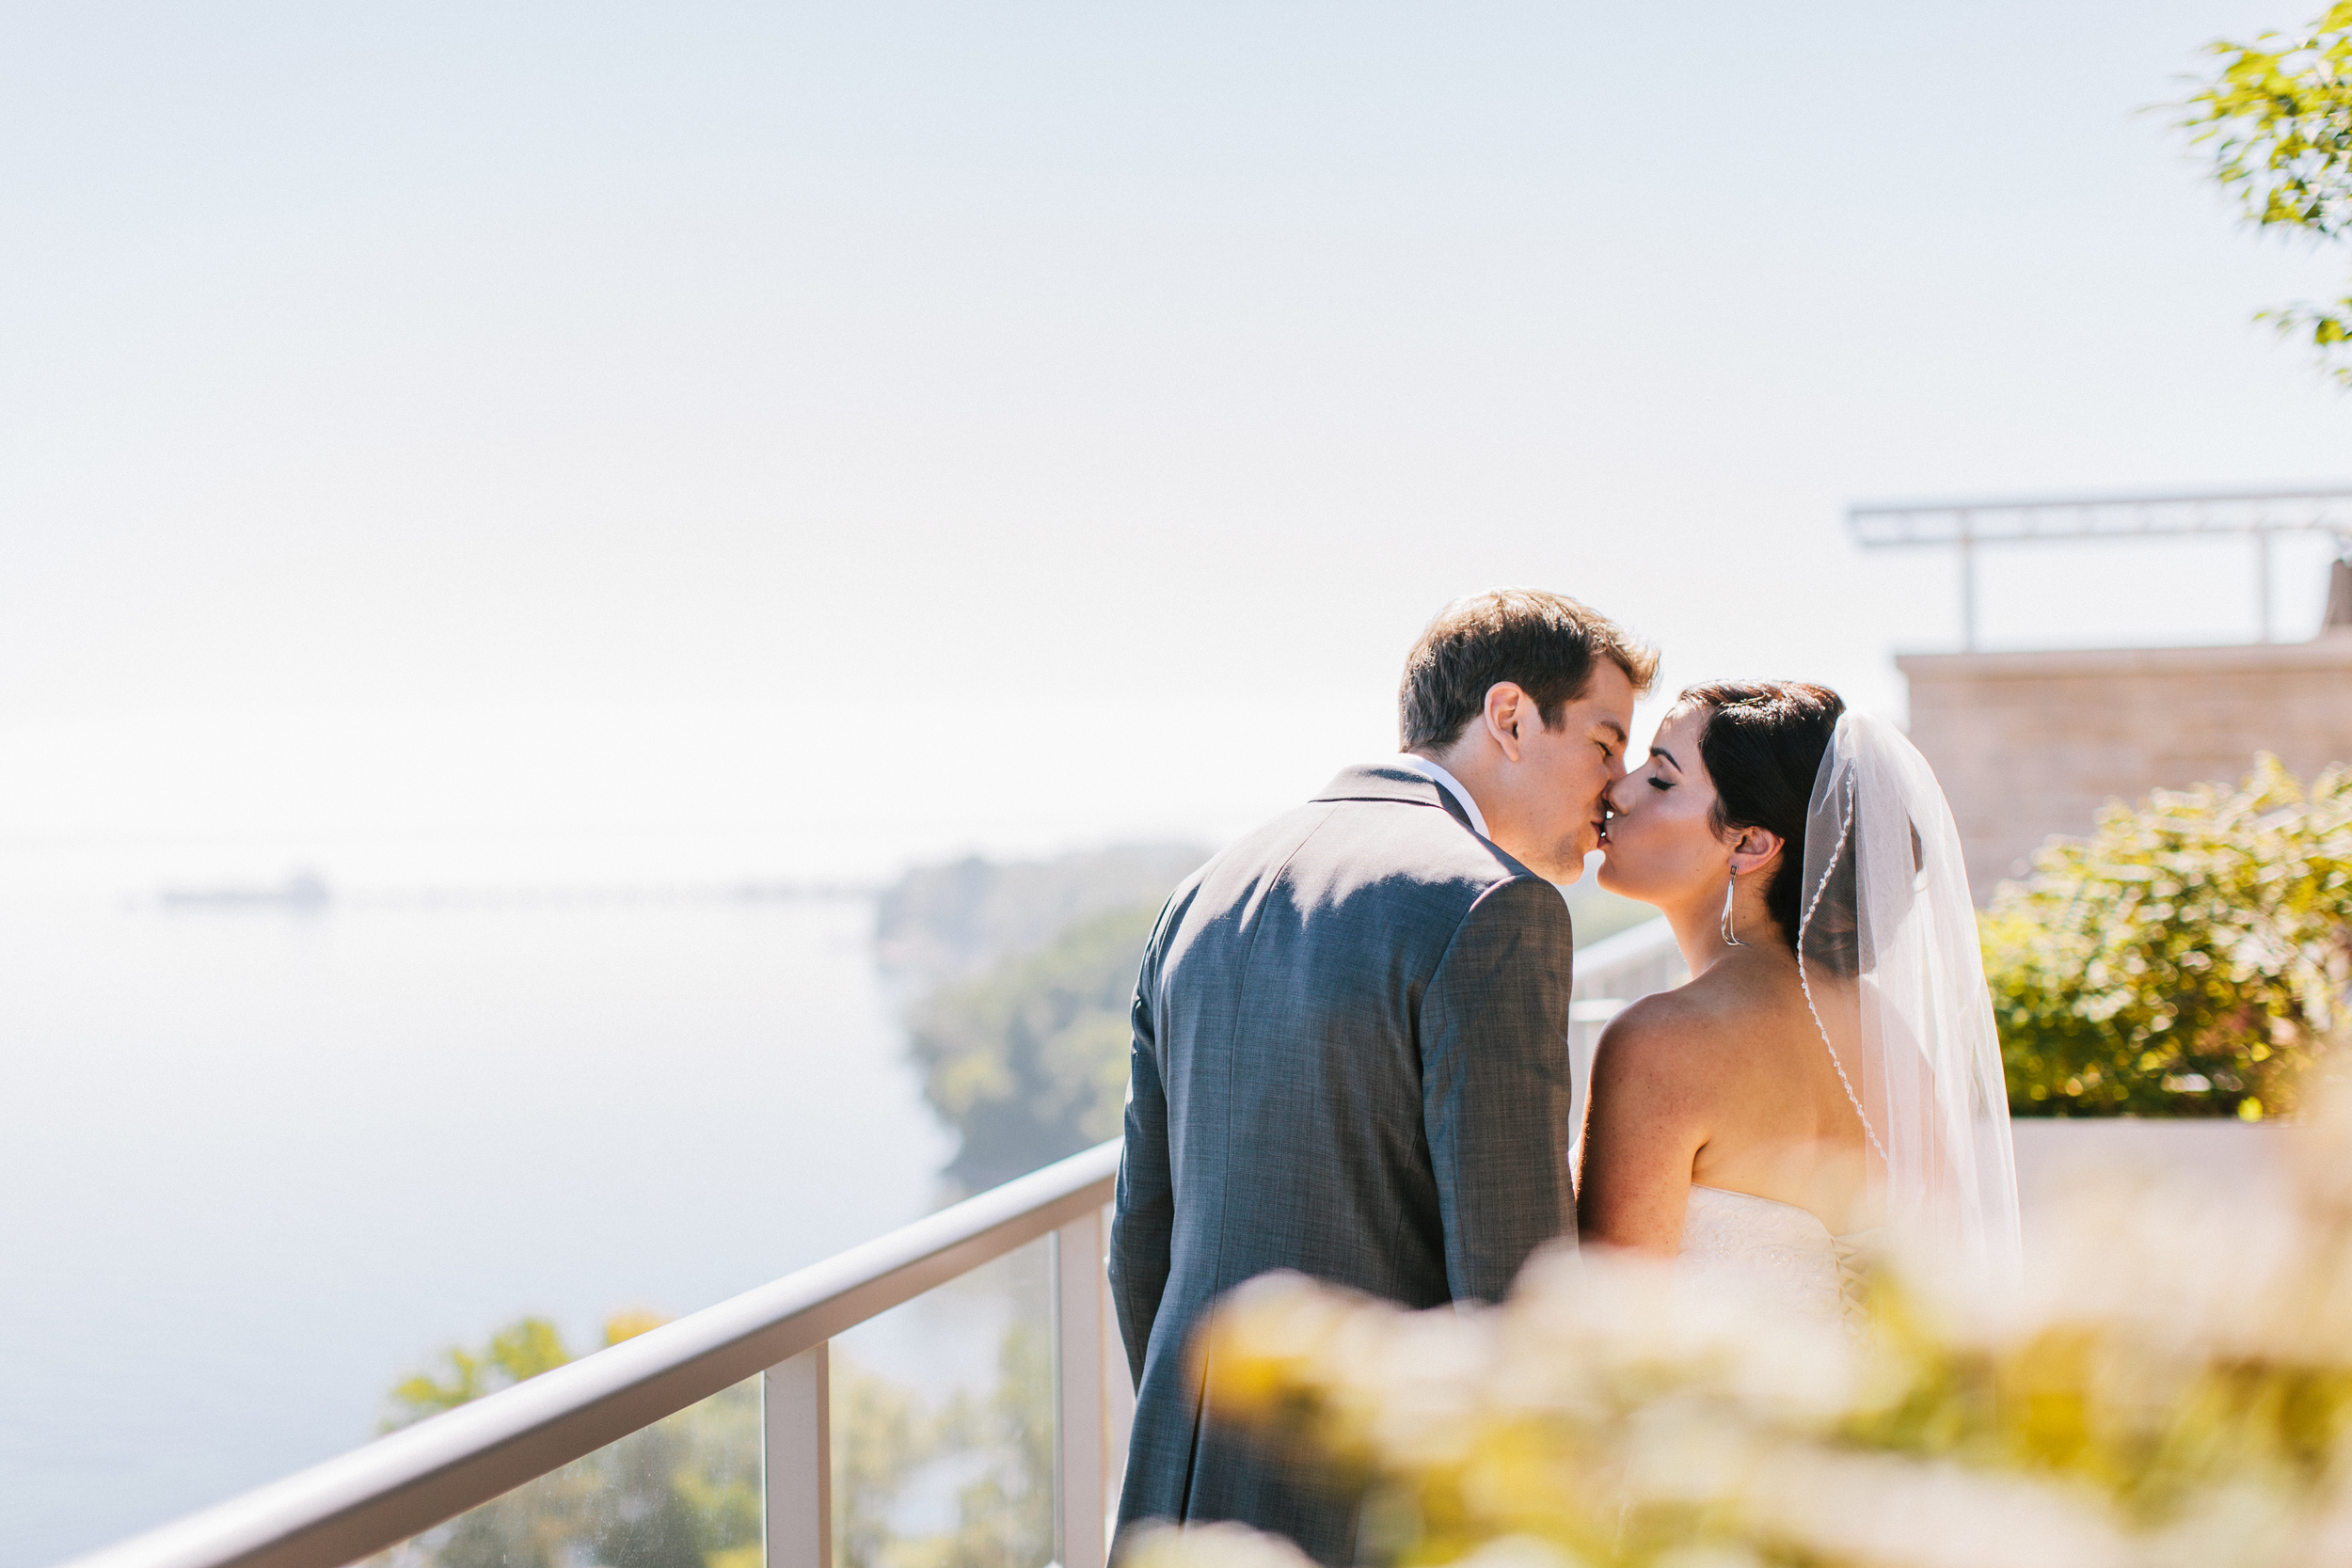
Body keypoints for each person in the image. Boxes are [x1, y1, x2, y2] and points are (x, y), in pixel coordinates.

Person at [1109, 589, 1656, 1566]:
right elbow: (1514, 1280)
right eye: (1607, 745)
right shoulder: (1496, 906)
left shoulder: (1201, 892)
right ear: (1510, 716)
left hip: (1183, 1493)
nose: (1613, 791)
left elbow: (1138, 1239)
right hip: (1379, 1503)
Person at [1577, 681, 2020, 1330]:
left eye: (1662, 778)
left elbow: (1607, 1328)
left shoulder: (1660, 1041)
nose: (1618, 788)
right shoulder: (1887, 1035)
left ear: (1752, 843)